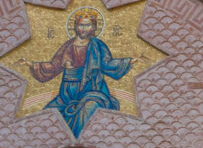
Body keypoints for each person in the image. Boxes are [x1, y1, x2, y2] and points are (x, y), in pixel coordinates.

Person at [17, 9, 142, 137]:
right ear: (75, 27)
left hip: (93, 90)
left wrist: (129, 61)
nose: (84, 29)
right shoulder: (68, 45)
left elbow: (107, 63)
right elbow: (54, 65)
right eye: (81, 25)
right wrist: (31, 64)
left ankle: (78, 144)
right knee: (46, 117)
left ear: (93, 27)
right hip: (66, 94)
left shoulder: (97, 45)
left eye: (88, 25)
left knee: (88, 110)